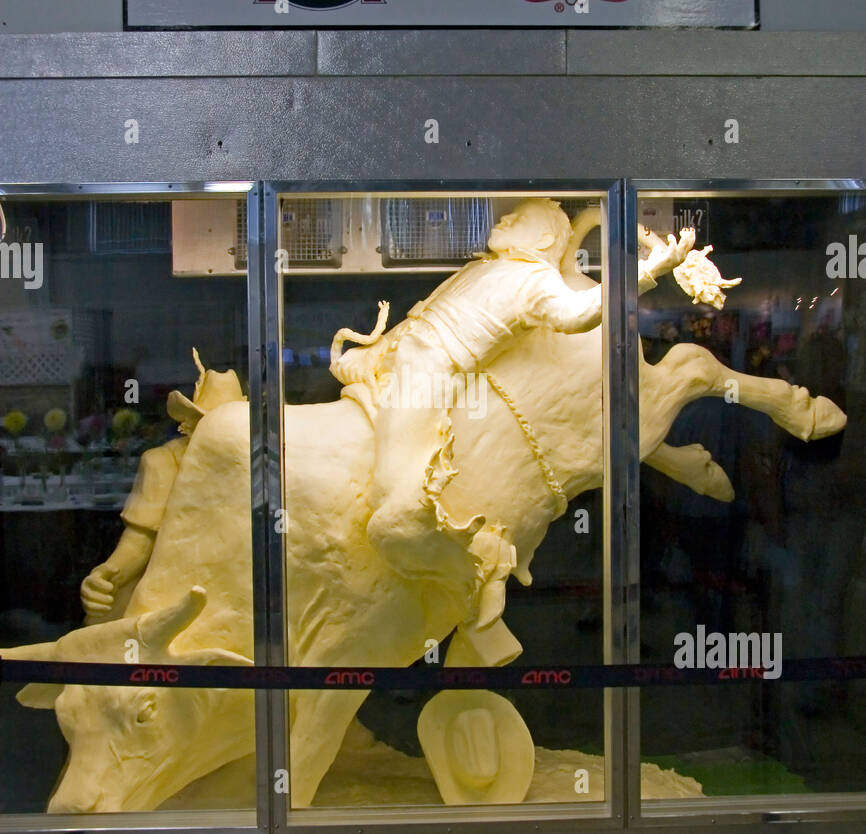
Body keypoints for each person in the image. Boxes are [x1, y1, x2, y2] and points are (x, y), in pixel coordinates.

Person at [332, 198, 694, 612]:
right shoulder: (485, 266)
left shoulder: (536, 282)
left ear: (542, 238)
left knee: (392, 516)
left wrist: (647, 272)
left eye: (517, 218)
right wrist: (371, 354)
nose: (504, 217)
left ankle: (480, 570)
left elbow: (580, 313)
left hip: (427, 376)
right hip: (404, 358)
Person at [80, 351, 245, 625]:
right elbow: (140, 539)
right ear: (191, 423)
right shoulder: (164, 462)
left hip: (241, 593)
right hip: (175, 587)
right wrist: (108, 574)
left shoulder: (261, 462)